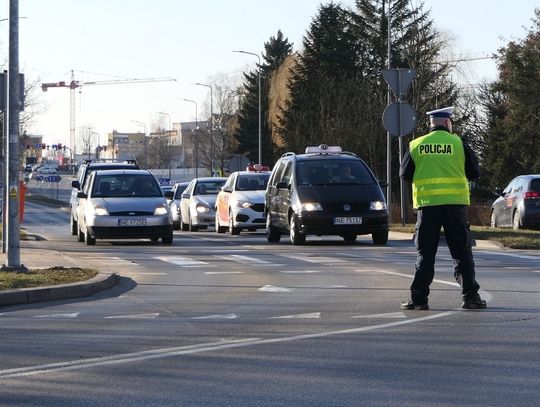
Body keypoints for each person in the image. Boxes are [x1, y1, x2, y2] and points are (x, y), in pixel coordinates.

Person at [399, 106, 487, 310]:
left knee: (425, 254)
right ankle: (470, 297)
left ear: (431, 124)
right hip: (454, 207)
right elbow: (474, 172)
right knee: (462, 253)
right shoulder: (459, 143)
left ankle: (419, 299)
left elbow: (404, 174)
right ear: (448, 123)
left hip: (427, 207)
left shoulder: (416, 145)